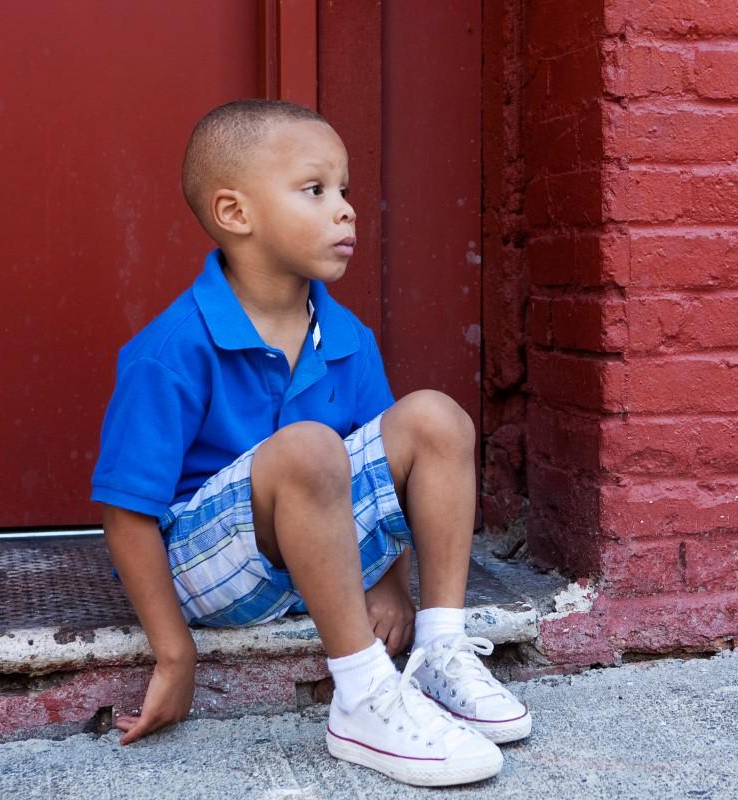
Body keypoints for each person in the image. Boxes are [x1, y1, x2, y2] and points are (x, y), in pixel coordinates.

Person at [90, 99, 528, 787]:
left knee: (436, 417)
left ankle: (441, 651)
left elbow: (389, 474)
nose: (346, 209)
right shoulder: (173, 347)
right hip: (206, 571)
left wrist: (391, 584)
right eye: (315, 190)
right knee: (309, 446)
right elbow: (127, 510)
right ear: (236, 213)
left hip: (316, 557)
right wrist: (175, 654)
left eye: (346, 190)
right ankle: (362, 695)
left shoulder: (347, 336)